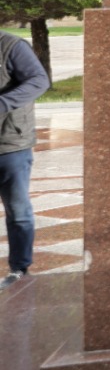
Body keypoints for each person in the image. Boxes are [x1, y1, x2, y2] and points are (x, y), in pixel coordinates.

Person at [1, 32, 51, 288]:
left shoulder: (10, 46)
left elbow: (39, 81)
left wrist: (3, 102)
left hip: (10, 145)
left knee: (18, 210)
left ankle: (19, 269)